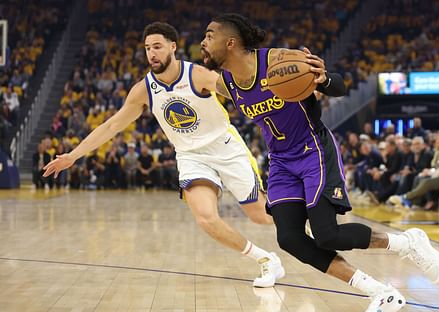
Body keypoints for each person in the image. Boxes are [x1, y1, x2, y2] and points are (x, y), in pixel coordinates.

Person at [200, 13, 439, 312]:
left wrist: (324, 80)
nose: (203, 42)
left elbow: (339, 86)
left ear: (230, 42)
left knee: (327, 234)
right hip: (280, 162)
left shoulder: (279, 61)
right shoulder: (227, 82)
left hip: (312, 150)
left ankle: (407, 243)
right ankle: (379, 292)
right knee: (289, 238)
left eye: (210, 35)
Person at [43, 22, 284, 288]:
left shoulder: (198, 75)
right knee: (205, 217)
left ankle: (310, 226)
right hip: (190, 156)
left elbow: (243, 90)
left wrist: (283, 94)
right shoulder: (143, 90)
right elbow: (112, 125)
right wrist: (73, 155)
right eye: (147, 48)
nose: (151, 54)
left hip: (225, 147)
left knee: (260, 215)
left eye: (157, 47)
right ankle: (266, 260)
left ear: (173, 47)